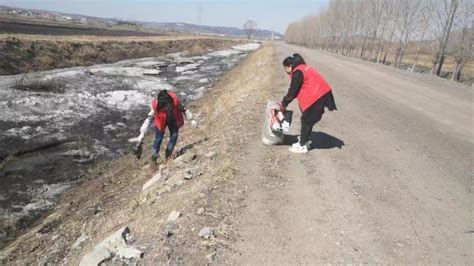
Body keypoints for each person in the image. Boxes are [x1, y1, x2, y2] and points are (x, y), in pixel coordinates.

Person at [280, 53, 337, 153]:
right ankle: (304, 141)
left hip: (318, 95)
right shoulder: (302, 68)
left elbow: (292, 91)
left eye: (285, 69)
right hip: (321, 93)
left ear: (289, 66)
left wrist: (283, 104)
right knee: (308, 119)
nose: (286, 72)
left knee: (306, 120)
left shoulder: (298, 72)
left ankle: (302, 145)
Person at [132, 89, 191, 171]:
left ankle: (168, 154)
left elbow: (184, 109)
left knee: (174, 135)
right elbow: (148, 120)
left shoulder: (174, 100)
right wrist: (142, 133)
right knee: (158, 140)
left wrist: (191, 118)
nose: (167, 108)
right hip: (160, 121)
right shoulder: (155, 106)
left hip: (173, 118)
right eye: (165, 108)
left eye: (168, 106)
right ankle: (153, 160)